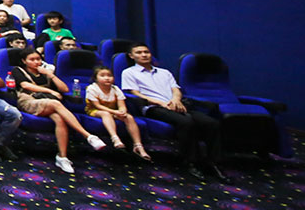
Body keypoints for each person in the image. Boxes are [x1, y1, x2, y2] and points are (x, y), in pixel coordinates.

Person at [121, 43, 219, 178]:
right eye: (139, 52)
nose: (143, 55)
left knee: (211, 123)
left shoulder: (164, 72)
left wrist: (176, 100)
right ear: (131, 56)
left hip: (174, 105)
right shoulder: (129, 72)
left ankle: (212, 162)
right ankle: (190, 162)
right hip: (153, 107)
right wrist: (161, 103)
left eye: (146, 52)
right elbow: (135, 94)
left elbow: (176, 90)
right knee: (186, 123)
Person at [11, 48, 106, 173]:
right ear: (24, 61)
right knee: (56, 103)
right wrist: (50, 91)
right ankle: (88, 136)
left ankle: (62, 157)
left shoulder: (46, 72)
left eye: (38, 59)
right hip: (29, 101)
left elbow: (65, 89)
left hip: (47, 103)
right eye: (32, 59)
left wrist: (51, 75)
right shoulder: (18, 70)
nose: (36, 62)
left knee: (60, 119)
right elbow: (25, 85)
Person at [86, 66, 151, 161]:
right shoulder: (92, 88)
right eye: (102, 76)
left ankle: (138, 145)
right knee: (105, 114)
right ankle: (115, 138)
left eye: (109, 75)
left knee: (128, 117)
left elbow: (121, 105)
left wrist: (122, 111)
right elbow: (98, 106)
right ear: (95, 78)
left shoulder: (115, 89)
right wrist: (114, 112)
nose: (107, 78)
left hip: (113, 111)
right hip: (95, 111)